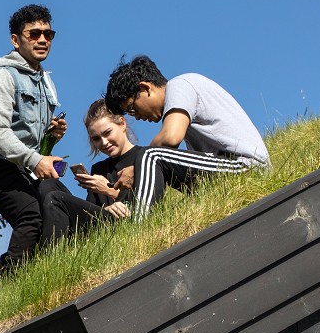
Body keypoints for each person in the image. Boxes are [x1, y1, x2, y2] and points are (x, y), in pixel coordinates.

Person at [0, 4, 81, 283]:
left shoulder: (46, 82)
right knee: (31, 217)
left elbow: (35, 146)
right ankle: (13, 285)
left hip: (21, 168)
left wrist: (51, 138)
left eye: (48, 34)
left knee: (55, 210)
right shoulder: (2, 77)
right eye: (34, 34)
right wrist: (35, 160)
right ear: (16, 39)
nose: (43, 40)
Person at [103, 55, 269, 220]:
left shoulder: (179, 85)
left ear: (145, 88)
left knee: (150, 155)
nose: (137, 117)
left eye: (132, 108)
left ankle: (137, 230)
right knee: (153, 160)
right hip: (226, 168)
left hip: (247, 167)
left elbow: (170, 137)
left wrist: (137, 165)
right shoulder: (182, 108)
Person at [70, 98, 156, 219]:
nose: (104, 143)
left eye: (107, 133)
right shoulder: (99, 170)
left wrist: (109, 190)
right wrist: (106, 212)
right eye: (96, 138)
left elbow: (153, 203)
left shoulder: (146, 157)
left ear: (122, 123)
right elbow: (92, 215)